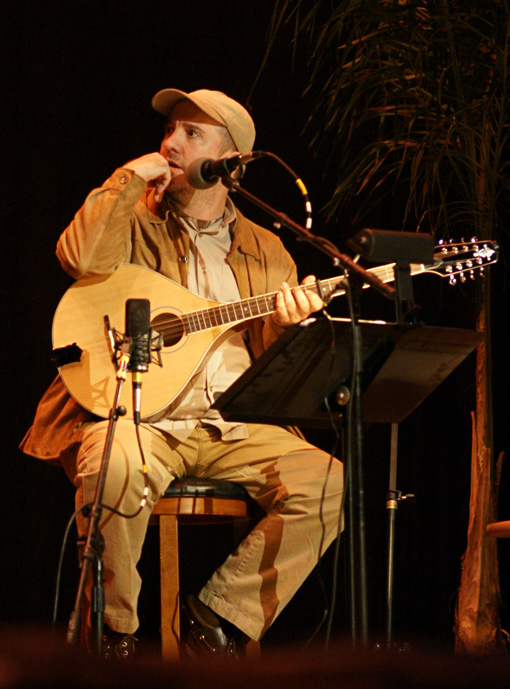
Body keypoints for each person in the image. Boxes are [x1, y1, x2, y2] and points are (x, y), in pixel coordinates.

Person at [21, 88, 344, 659]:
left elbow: (276, 365)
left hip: (232, 425)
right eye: (169, 130)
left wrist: (292, 327)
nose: (170, 142)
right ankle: (113, 636)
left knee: (331, 483)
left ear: (230, 159)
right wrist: (127, 177)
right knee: (113, 462)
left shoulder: (267, 249)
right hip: (138, 414)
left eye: (192, 133)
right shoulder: (134, 215)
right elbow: (79, 257)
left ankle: (218, 618)